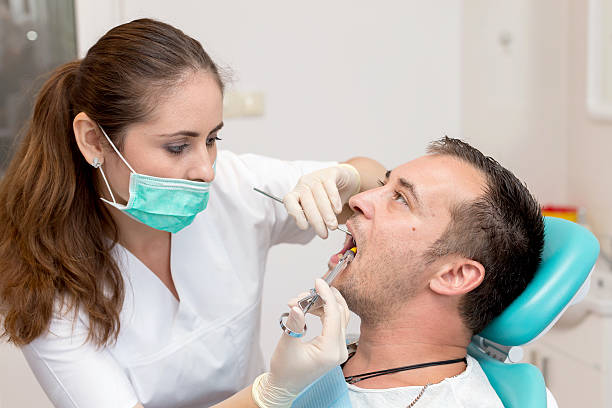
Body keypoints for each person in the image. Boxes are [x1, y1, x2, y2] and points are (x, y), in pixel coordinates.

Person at [0, 19, 386, 408]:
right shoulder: (42, 284)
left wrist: (350, 178)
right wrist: (271, 393)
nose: (206, 170)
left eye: (212, 139)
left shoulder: (233, 186)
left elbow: (380, 187)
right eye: (177, 147)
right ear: (93, 140)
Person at [313, 137, 545, 407]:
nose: (357, 200)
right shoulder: (323, 363)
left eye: (401, 198)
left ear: (454, 275)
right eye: (382, 185)